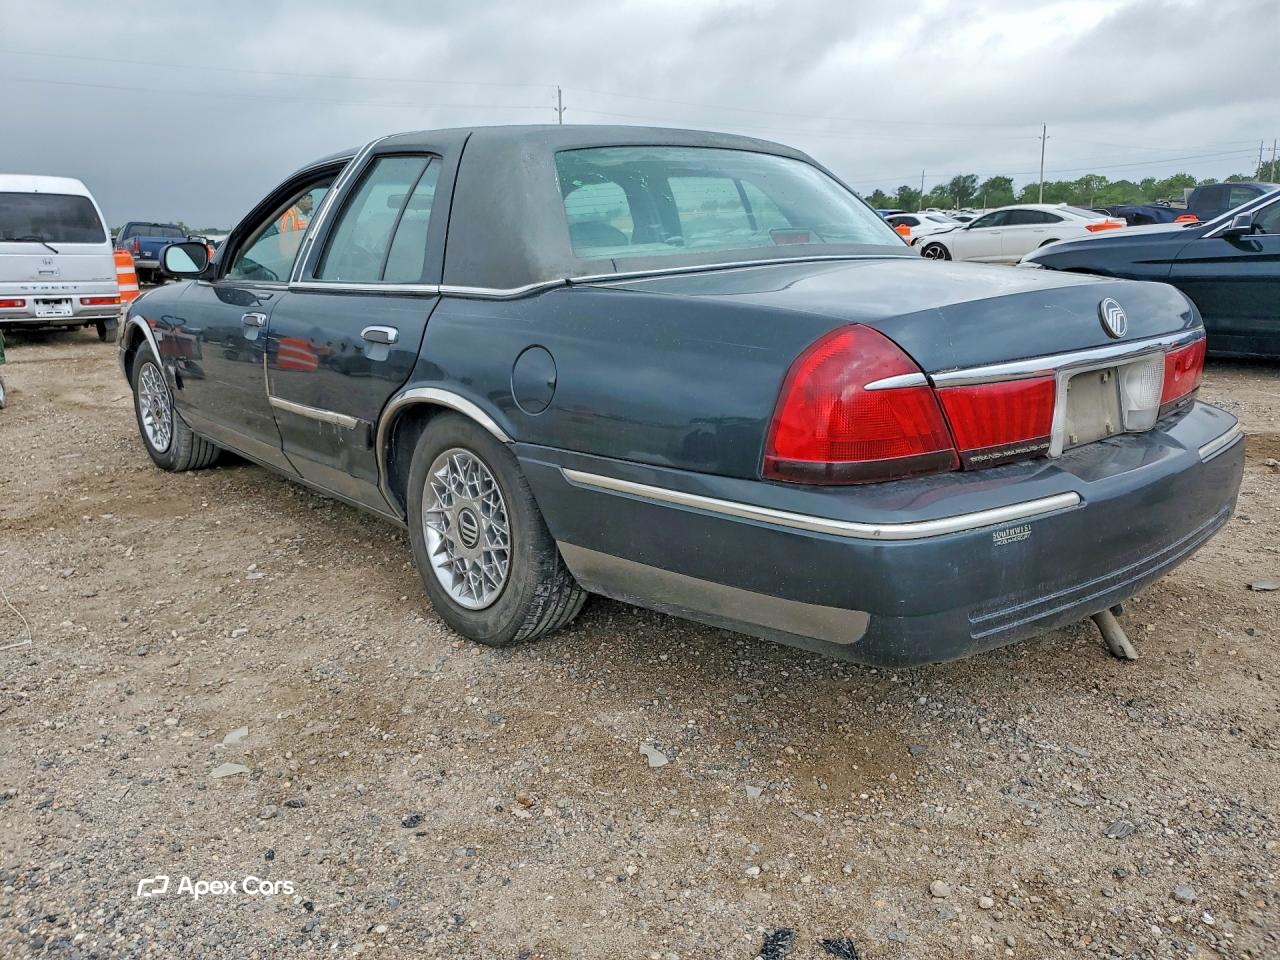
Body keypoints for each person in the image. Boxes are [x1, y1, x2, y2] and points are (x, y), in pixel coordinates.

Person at [277, 191, 315, 259]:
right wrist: (288, 259)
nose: (312, 201)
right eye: (309, 199)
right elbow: (285, 241)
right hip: (296, 258)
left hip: (310, 255)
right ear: (300, 201)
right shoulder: (289, 216)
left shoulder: (311, 217)